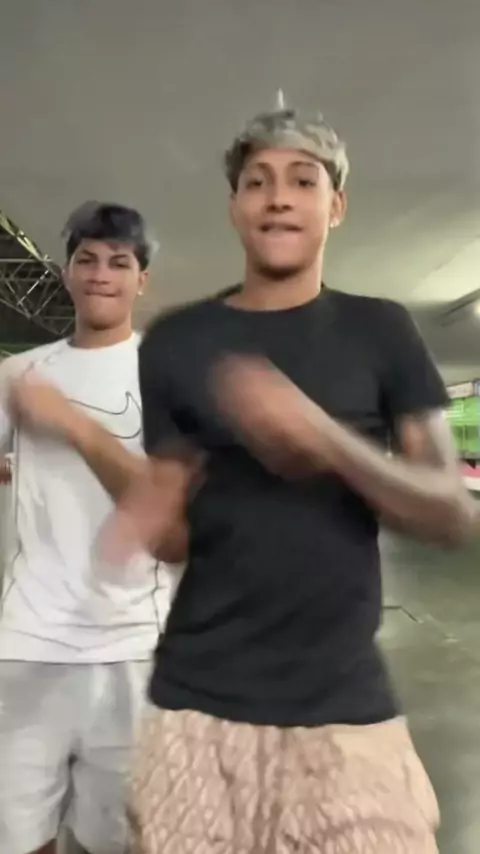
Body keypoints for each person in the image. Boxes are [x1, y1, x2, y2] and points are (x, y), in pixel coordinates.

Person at [109, 110, 474, 851]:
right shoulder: (177, 341)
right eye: (258, 182)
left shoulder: (381, 330)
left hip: (345, 711)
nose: (278, 196)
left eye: (303, 181)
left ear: (335, 207)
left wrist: (327, 440)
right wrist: (147, 510)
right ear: (235, 206)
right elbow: (172, 535)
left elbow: (451, 513)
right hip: (196, 712)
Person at [0, 202, 175, 854]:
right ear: (67, 271)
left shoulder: (166, 375)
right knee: (22, 836)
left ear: (141, 280)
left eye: (119, 263)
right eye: (87, 259)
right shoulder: (18, 375)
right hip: (28, 640)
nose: (101, 274)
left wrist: (71, 426)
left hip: (132, 647)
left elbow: (168, 512)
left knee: (119, 840)